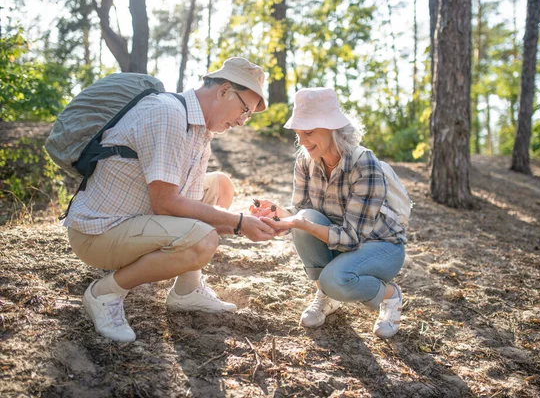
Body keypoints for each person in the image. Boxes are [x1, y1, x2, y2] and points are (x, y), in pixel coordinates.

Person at [64, 57, 276, 342]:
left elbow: (189, 208)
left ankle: (188, 289)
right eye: (244, 109)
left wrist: (246, 222)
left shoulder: (200, 130)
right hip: (99, 233)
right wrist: (238, 223)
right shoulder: (167, 113)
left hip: (134, 221)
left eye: (248, 115)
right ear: (224, 90)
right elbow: (165, 204)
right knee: (202, 240)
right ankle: (104, 293)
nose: (242, 121)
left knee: (220, 185)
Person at [257, 87, 407, 339]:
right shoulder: (305, 160)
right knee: (307, 223)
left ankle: (391, 296)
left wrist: (301, 223)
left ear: (333, 128)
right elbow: (303, 212)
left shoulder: (363, 163)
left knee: (335, 279)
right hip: (338, 240)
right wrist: (275, 213)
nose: (302, 142)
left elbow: (352, 238)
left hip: (380, 246)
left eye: (308, 132)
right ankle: (326, 296)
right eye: (298, 134)